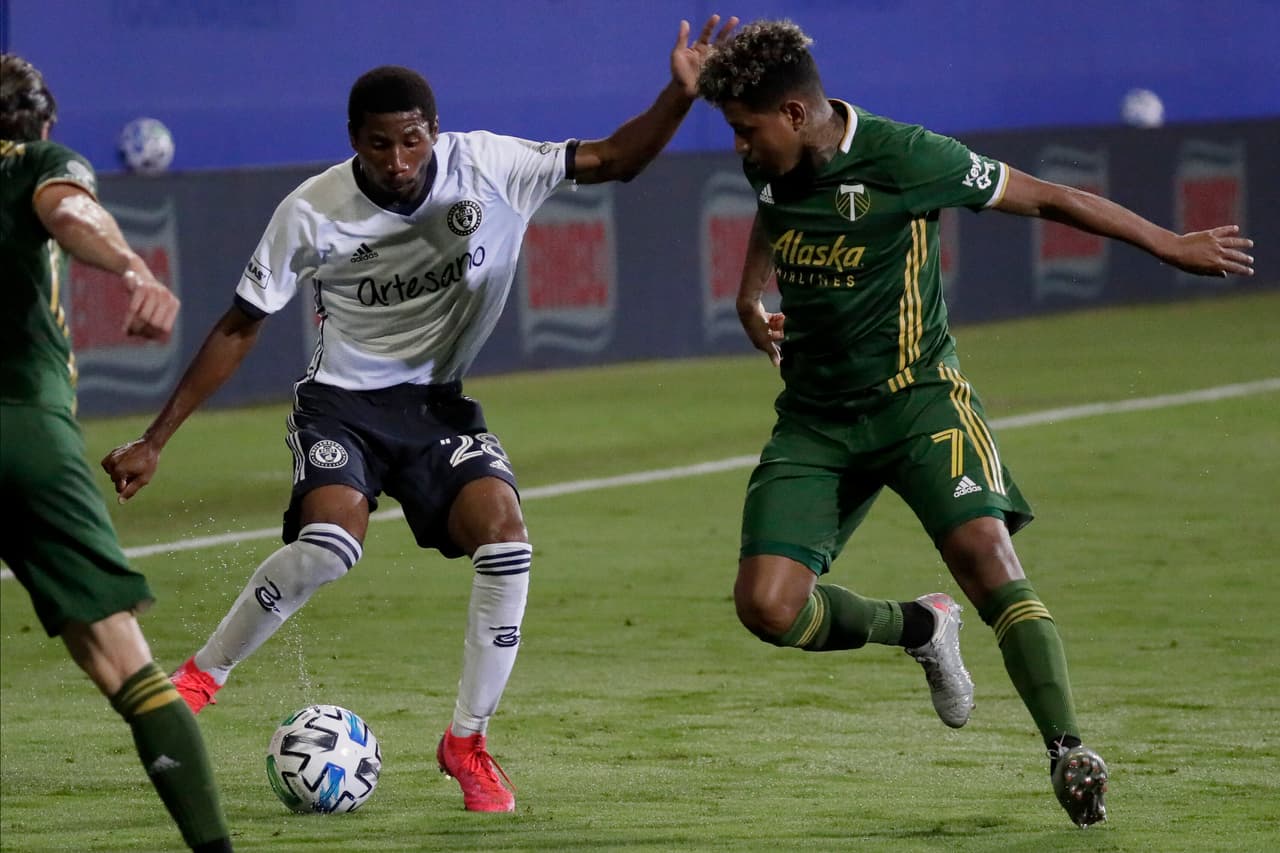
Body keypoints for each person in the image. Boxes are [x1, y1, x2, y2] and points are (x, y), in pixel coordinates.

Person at [101, 16, 739, 814]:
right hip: (342, 404)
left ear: (433, 132)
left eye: (411, 142)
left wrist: (678, 97)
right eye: (378, 145)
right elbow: (239, 324)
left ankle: (466, 741)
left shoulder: (491, 166)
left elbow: (615, 159)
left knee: (506, 537)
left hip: (438, 406)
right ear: (353, 142)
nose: (398, 162)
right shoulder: (311, 210)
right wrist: (156, 439)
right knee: (330, 546)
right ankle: (201, 676)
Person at [695, 20, 1254, 828]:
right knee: (767, 607)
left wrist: (1167, 243)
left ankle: (1068, 749)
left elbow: (1052, 195)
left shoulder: (908, 156)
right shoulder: (774, 163)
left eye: (746, 131)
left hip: (920, 401)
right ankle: (920, 626)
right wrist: (751, 297)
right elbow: (774, 210)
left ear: (793, 112)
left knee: (988, 559)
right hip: (816, 421)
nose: (740, 150)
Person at [0, 54, 235, 852]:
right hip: (21, 432)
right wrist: (133, 266)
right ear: (42, 124)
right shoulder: (35, 162)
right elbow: (68, 211)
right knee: (123, 664)